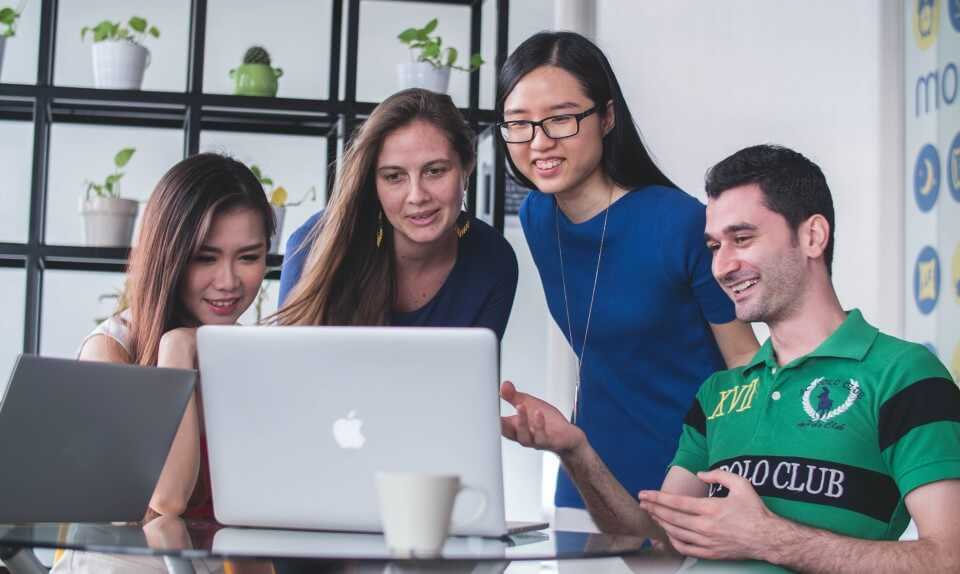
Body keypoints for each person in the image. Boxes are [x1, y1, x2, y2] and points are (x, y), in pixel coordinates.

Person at [500, 145, 960, 571]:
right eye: (715, 246)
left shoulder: (904, 375)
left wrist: (769, 539)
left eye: (742, 238)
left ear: (813, 236)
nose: (722, 265)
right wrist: (576, 451)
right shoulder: (720, 392)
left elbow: (949, 556)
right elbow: (655, 547)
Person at [496, 31, 759, 526]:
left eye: (561, 118)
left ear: (607, 117)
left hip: (689, 478)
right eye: (519, 124)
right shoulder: (537, 216)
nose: (539, 142)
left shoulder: (679, 222)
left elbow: (744, 362)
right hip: (587, 476)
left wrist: (735, 482)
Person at [77, 153, 275, 519]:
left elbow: (257, 514)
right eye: (205, 258)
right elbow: (167, 499)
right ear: (169, 256)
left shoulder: (248, 355)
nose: (228, 282)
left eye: (248, 257)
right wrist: (177, 351)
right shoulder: (110, 349)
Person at [275, 88, 518, 339]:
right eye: (394, 177)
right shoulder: (314, 243)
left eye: (434, 171)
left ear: (466, 167)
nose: (417, 196)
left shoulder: (494, 260)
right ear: (373, 182)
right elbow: (289, 369)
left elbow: (474, 374)